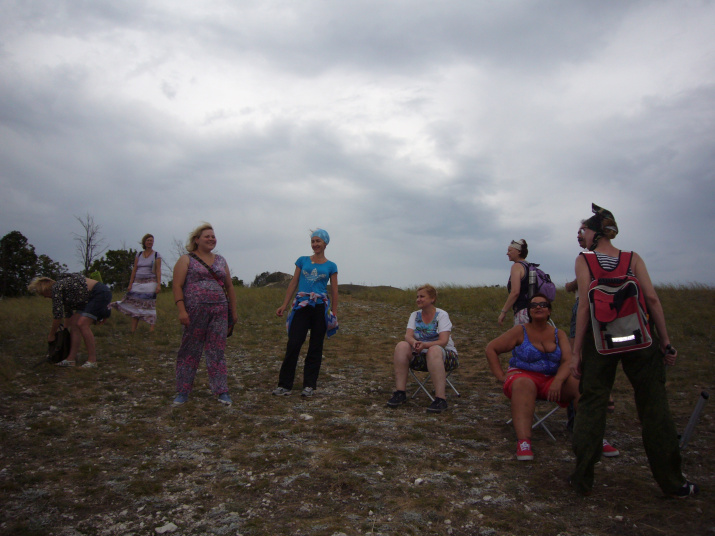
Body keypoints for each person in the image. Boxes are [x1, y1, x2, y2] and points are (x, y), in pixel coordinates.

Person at [569, 203, 698, 497]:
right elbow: (651, 299)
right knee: (655, 408)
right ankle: (673, 481)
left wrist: (577, 352)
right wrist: (665, 342)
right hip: (640, 339)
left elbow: (586, 307)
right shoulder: (633, 258)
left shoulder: (585, 261)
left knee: (592, 405)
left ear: (597, 232)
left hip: (601, 341)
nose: (581, 235)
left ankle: (582, 479)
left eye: (584, 230)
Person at [486, 293, 618, 460]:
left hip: (552, 380)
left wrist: (558, 380)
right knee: (523, 383)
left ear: (549, 311)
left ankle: (596, 437)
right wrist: (501, 376)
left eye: (543, 304)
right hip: (522, 377)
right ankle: (524, 442)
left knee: (580, 384)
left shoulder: (559, 334)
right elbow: (491, 348)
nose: (538, 307)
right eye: (534, 305)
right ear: (529, 312)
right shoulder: (520, 331)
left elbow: (568, 360)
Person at [172, 223, 237, 406]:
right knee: (189, 351)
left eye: (213, 236)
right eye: (207, 236)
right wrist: (181, 310)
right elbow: (177, 285)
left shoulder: (220, 260)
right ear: (196, 240)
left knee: (216, 351)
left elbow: (229, 286)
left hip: (219, 312)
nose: (211, 239)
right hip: (194, 312)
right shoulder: (187, 259)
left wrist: (233, 311)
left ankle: (221, 391)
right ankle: (183, 391)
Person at [273, 229, 338, 398]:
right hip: (301, 306)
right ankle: (284, 385)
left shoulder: (331, 266)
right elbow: (294, 282)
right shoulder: (302, 261)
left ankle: (309, 385)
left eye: (318, 241)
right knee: (294, 343)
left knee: (315, 346)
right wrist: (285, 304)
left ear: (325, 243)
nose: (315, 244)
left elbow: (335, 291)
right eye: (313, 241)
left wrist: (334, 313)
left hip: (320, 308)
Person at [386, 284, 458, 413]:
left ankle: (441, 399)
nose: (418, 299)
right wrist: (414, 343)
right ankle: (400, 393)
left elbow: (443, 341)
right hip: (420, 355)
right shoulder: (414, 315)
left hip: (445, 357)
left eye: (422, 296)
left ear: (432, 299)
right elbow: (408, 335)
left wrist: (425, 345)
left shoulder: (442, 315)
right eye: (417, 297)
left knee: (434, 349)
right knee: (401, 346)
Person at [28, 274, 112, 368]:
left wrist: (51, 335)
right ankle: (70, 359)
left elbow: (57, 316)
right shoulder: (63, 289)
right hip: (90, 298)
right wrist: (64, 331)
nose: (44, 297)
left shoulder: (56, 288)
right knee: (74, 324)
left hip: (98, 293)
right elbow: (68, 314)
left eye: (42, 294)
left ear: (45, 289)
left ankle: (92, 361)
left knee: (82, 324)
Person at [109, 233, 162, 332]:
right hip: (138, 281)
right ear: (144, 242)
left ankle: (151, 329)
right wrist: (130, 284)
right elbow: (134, 269)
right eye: (148, 240)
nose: (150, 242)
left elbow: (158, 270)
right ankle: (133, 330)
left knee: (149, 304)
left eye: (151, 240)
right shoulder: (139, 254)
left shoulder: (156, 255)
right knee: (135, 304)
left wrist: (158, 284)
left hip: (150, 281)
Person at [498, 239, 531, 326]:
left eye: (510, 251)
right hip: (533, 310)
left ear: (519, 252)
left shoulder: (516, 267)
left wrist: (503, 312)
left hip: (523, 312)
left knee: (522, 338)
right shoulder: (529, 266)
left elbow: (515, 292)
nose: (507, 253)